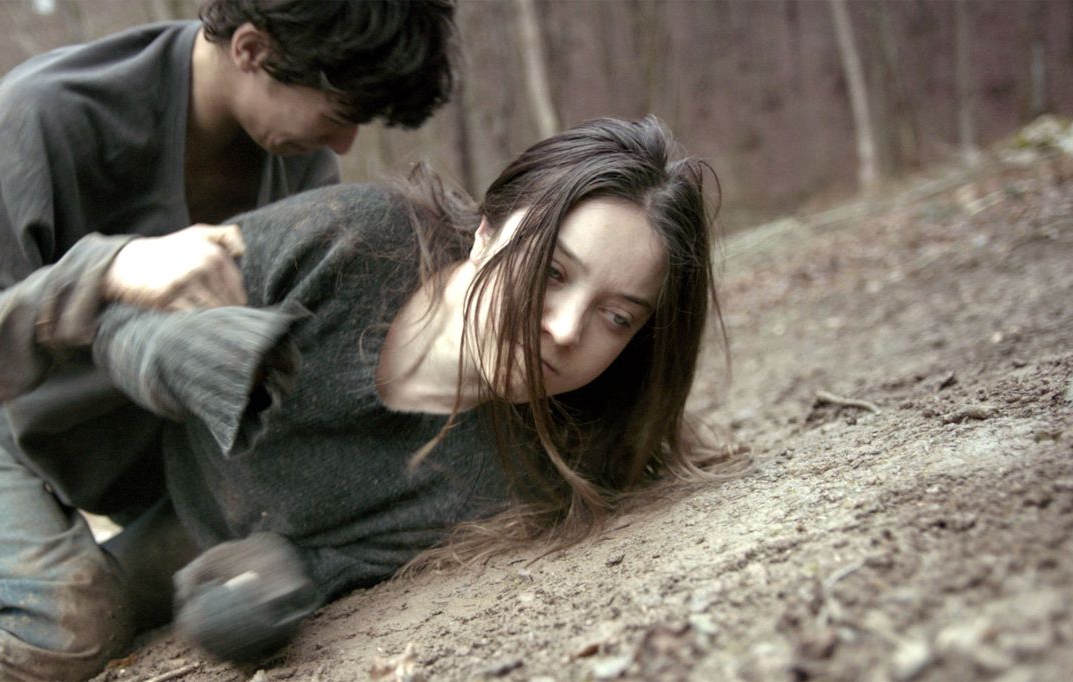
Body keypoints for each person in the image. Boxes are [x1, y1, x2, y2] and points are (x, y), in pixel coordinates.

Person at [0, 1, 457, 679]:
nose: (345, 146)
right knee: (60, 629)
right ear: (252, 50)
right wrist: (107, 271)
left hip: (108, 437)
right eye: (337, 114)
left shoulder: (292, 155)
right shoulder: (47, 112)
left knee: (228, 558)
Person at [87, 116, 723, 661]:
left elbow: (341, 558)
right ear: (486, 234)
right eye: (553, 272)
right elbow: (120, 316)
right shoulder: (349, 239)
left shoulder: (529, 477)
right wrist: (188, 352)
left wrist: (278, 575)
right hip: (96, 440)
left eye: (616, 317)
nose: (563, 329)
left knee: (79, 619)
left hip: (196, 533)